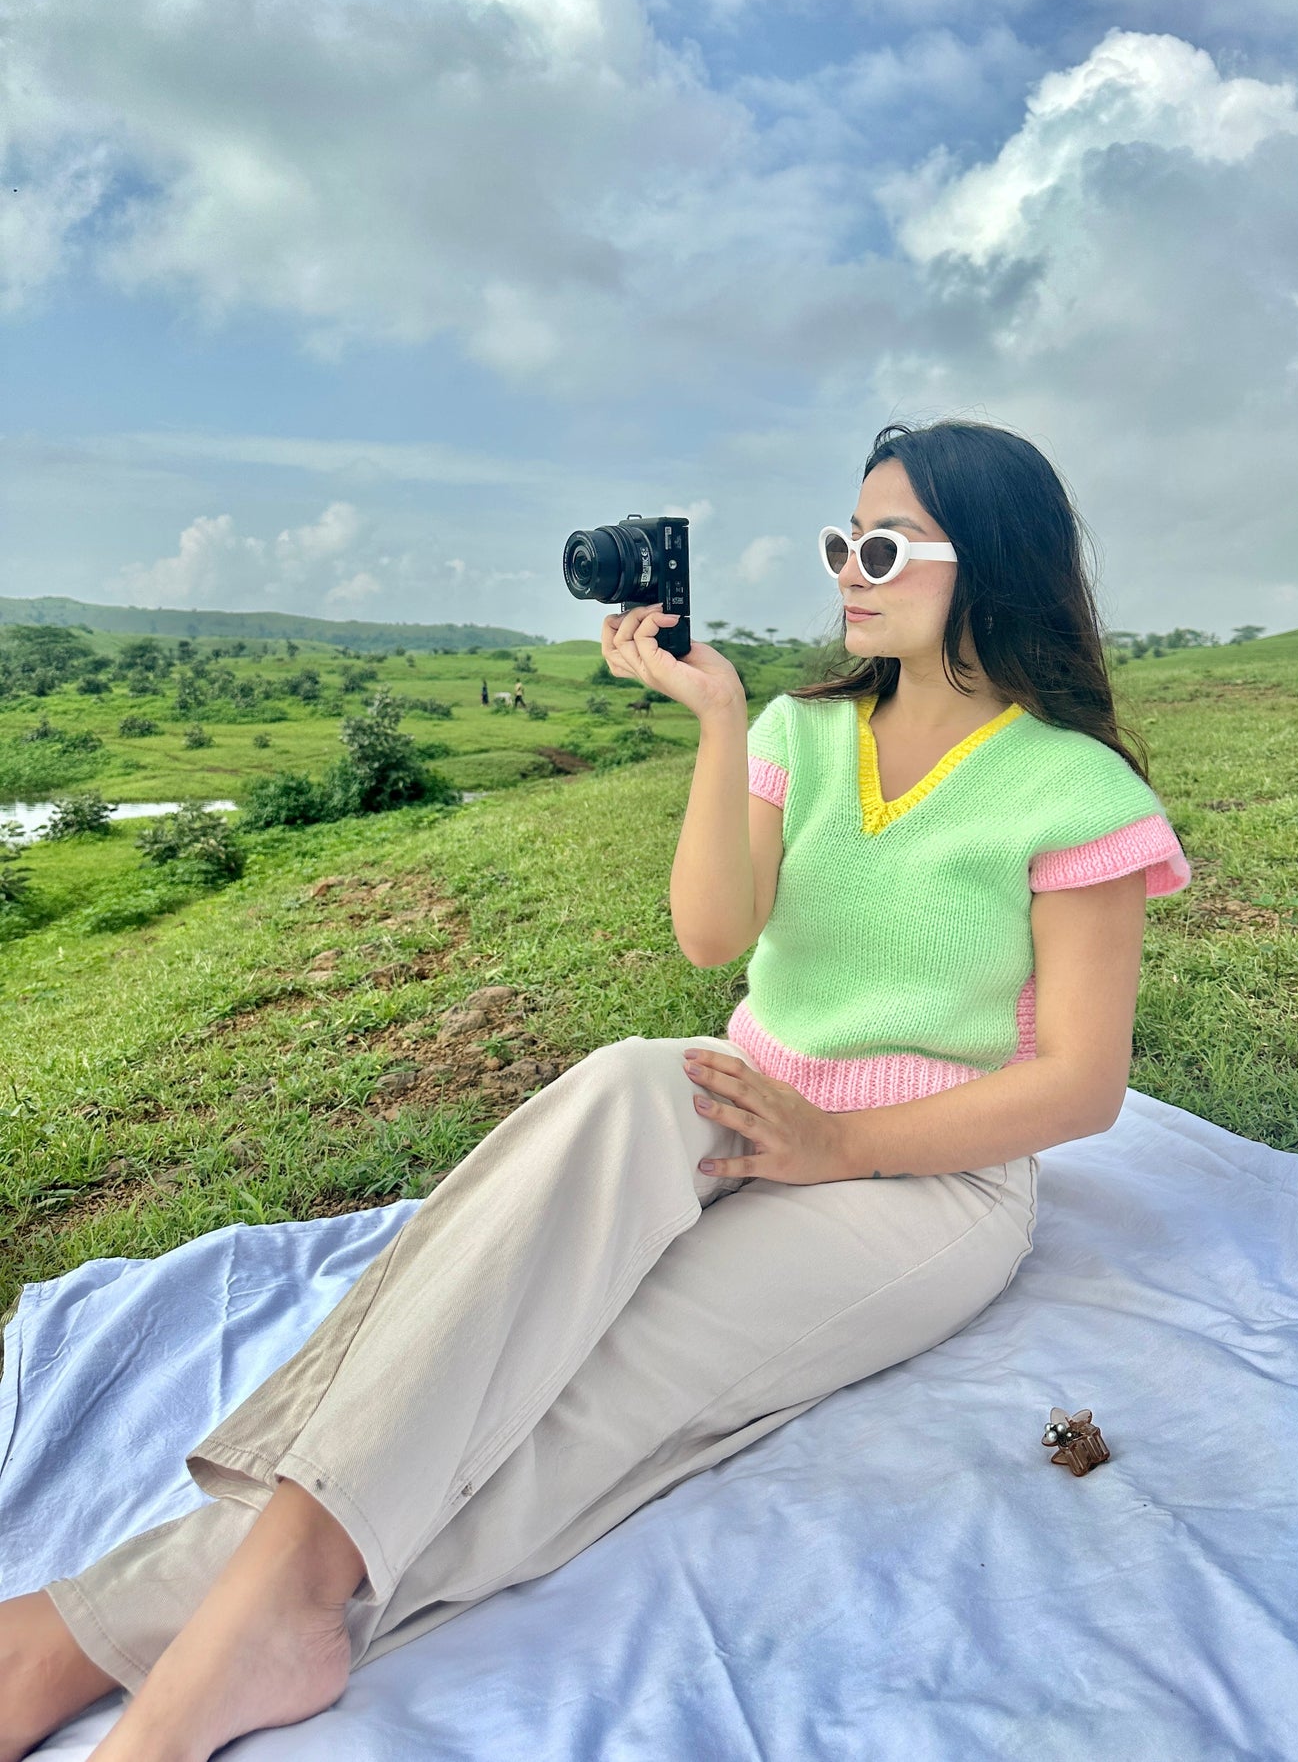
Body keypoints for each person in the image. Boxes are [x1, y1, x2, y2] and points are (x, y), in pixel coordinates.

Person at [0, 418, 1191, 1761]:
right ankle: (257, 1607)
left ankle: (106, 1634)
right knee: (615, 1103)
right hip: (741, 1102)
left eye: (882, 544)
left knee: (580, 1382)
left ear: (994, 563)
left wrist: (841, 1142)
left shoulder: (1072, 789)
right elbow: (708, 936)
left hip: (925, 1180)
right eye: (836, 542)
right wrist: (720, 722)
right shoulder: (799, 732)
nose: (846, 571)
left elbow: (1081, 1088)